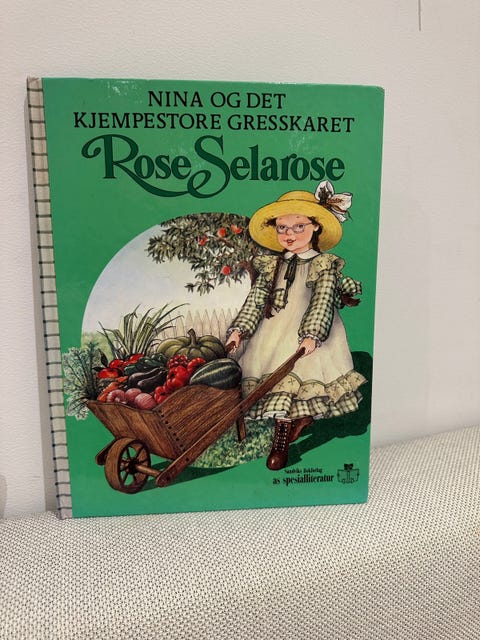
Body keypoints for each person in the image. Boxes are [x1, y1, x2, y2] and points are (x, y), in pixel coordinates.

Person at [227, 181, 366, 470]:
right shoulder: (271, 265)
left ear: (315, 227)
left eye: (298, 226)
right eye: (282, 228)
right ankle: (292, 422)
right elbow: (256, 300)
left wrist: (312, 334)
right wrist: (239, 330)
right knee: (269, 377)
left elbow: (323, 299)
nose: (289, 234)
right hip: (272, 331)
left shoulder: (324, 265)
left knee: (300, 379)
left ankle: (282, 439)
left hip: (310, 332)